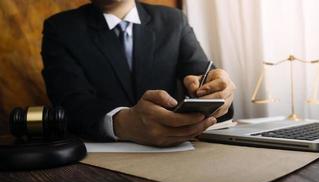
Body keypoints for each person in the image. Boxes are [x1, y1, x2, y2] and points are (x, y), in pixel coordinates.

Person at [41, 0, 236, 147]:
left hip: (180, 152)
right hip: (101, 166)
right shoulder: (61, 29)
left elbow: (203, 76)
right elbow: (69, 104)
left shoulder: (174, 21)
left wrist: (219, 93)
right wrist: (123, 123)